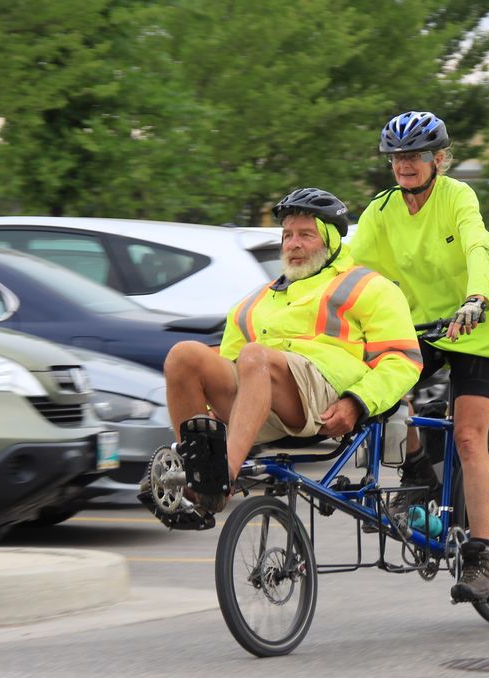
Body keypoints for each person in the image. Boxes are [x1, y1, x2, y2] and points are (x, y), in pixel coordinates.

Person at [139, 187, 422, 528]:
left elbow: (402, 361)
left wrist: (357, 403)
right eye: (287, 235)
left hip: (323, 396)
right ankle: (199, 475)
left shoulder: (369, 287)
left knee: (255, 355)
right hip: (258, 403)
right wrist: (210, 413)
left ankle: (221, 476)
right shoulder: (254, 302)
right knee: (183, 355)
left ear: (331, 241)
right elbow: (230, 366)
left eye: (306, 235)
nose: (293, 244)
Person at [346, 110, 489, 604]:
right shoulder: (380, 212)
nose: (405, 164)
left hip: (472, 328)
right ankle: (417, 465)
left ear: (438, 159)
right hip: (419, 329)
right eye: (397, 156)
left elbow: (478, 248)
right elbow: (350, 271)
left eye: (416, 155)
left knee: (467, 437)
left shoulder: (457, 196)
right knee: (379, 388)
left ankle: (480, 557)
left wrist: (477, 298)